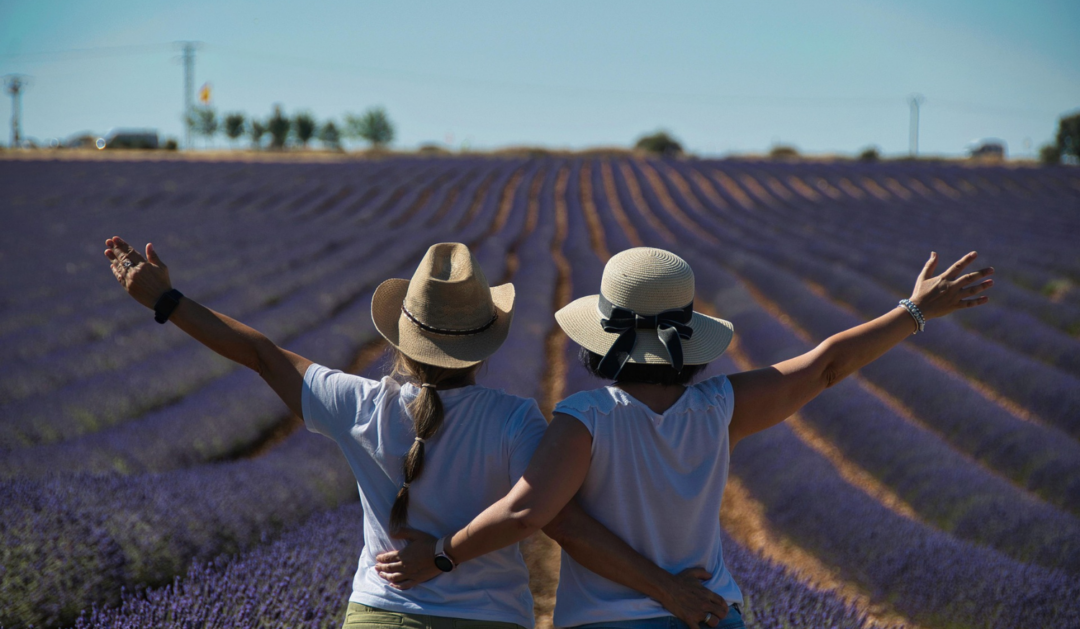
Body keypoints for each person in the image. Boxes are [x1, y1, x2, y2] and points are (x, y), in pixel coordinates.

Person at [102, 238, 729, 629]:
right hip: (490, 618)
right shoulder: (516, 419)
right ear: (485, 342)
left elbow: (261, 354)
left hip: (380, 613)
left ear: (401, 335)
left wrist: (167, 301)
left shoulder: (358, 404)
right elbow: (545, 513)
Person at [375, 247, 994, 629]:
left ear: (604, 335)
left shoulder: (585, 417)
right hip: (713, 615)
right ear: (689, 334)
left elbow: (530, 512)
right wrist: (913, 313)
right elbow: (825, 364)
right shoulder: (720, 407)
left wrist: (443, 553)